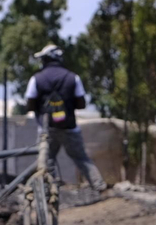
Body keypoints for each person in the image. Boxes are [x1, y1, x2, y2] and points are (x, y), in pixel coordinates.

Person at [25, 44, 106, 193]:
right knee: (81, 158)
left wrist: (45, 106)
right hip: (69, 127)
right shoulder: (72, 77)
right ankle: (100, 187)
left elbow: (30, 104)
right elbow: (81, 103)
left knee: (46, 161)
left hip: (46, 129)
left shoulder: (37, 79)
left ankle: (49, 192)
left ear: (46, 59)